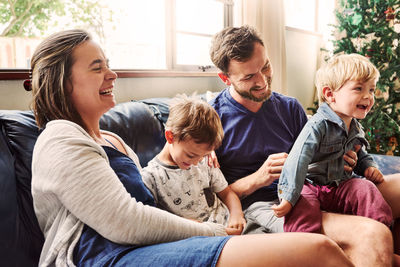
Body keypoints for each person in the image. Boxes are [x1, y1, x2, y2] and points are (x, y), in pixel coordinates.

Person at [29, 29, 354, 267]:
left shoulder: (111, 140)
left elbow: (153, 193)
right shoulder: (61, 139)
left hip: (143, 247)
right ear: (61, 80)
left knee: (317, 249)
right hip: (106, 257)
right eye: (97, 67)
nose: (112, 74)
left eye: (108, 64)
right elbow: (126, 222)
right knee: (318, 251)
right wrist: (213, 231)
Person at [209, 25, 400, 266]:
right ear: (225, 78)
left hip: (316, 188)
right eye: (249, 77)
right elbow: (206, 198)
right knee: (372, 233)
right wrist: (257, 178)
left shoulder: (289, 107)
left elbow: (316, 154)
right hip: (271, 206)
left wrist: (343, 157)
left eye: (265, 66)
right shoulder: (211, 120)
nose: (262, 80)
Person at [273, 53, 392, 233]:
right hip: (312, 184)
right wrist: (288, 196)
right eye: (359, 89)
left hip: (340, 185)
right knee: (301, 204)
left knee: (365, 188)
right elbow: (298, 160)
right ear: (330, 94)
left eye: (371, 90)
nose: (368, 96)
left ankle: (382, 231)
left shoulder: (354, 126)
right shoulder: (317, 125)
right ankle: (304, 242)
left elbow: (360, 153)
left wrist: (368, 166)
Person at [142, 95, 246, 234]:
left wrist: (237, 214)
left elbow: (227, 193)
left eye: (203, 155)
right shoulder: (151, 177)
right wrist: (186, 225)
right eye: (191, 155)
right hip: (199, 236)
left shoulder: (205, 161)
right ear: (170, 136)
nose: (196, 162)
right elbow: (153, 221)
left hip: (229, 224)